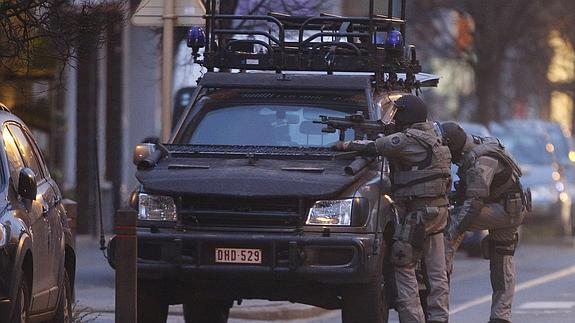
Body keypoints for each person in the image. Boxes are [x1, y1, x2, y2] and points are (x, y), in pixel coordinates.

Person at [336, 95, 451, 323]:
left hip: (418, 214)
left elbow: (376, 148)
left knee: (403, 262)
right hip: (437, 212)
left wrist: (345, 144)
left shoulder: (410, 140)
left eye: (398, 113)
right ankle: (439, 318)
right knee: (436, 271)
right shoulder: (434, 137)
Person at [441, 121, 528, 323]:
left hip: (504, 211)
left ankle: (438, 283)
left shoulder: (482, 160)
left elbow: (473, 204)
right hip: (511, 207)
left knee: (450, 222)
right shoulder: (480, 145)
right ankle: (501, 317)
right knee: (502, 259)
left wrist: (452, 233)